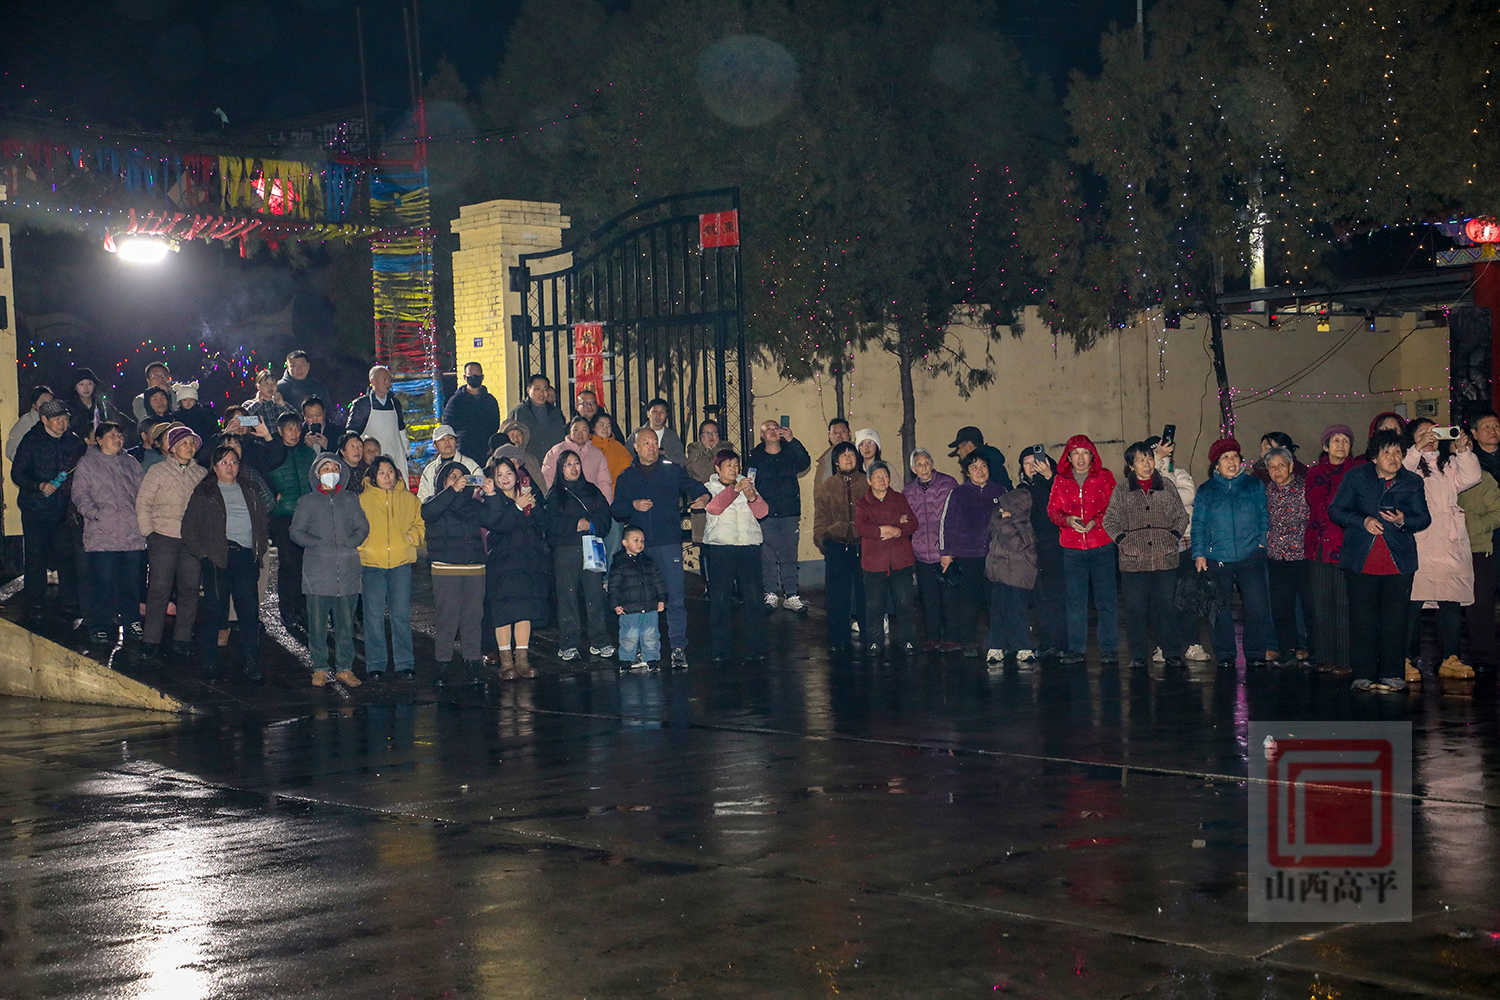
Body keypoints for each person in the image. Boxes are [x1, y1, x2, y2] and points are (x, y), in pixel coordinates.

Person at [1331, 428, 1431, 693]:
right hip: (1361, 561)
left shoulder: (1412, 481)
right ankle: (1363, 674)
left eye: (1398, 452)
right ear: (1374, 456)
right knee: (1362, 620)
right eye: (1387, 452)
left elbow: (1423, 518)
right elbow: (1336, 510)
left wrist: (1403, 520)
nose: (1394, 457)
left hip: (1398, 563)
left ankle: (1392, 673)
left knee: (1395, 621)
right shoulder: (1356, 477)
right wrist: (1362, 521)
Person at [610, 428, 710, 667]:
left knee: (675, 597)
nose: (651, 447)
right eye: (646, 443)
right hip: (639, 550)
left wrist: (704, 496)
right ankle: (639, 650)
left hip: (668, 543)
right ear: (636, 447)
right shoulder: (627, 477)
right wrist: (633, 505)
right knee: (638, 600)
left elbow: (694, 487)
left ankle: (678, 647)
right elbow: (617, 510)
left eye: (654, 442)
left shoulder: (671, 470)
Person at [1402, 418, 1482, 680]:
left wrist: (1463, 451)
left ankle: (1451, 658)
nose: (1430, 437)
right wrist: (1416, 449)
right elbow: (1400, 475)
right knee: (1412, 602)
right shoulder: (1409, 463)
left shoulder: (1448, 464)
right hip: (1420, 540)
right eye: (1423, 433)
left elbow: (1472, 477)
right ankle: (1405, 659)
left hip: (1449, 540)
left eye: (1434, 432)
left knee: (1451, 600)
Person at [181, 444, 269, 679]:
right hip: (218, 557)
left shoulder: (249, 488)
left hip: (245, 556)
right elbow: (189, 528)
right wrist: (204, 554)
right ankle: (209, 663)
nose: (230, 467)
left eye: (234, 462)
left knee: (249, 612)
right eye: (224, 463)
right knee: (214, 611)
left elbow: (262, 520)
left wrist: (259, 548)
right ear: (215, 467)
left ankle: (251, 662)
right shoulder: (205, 491)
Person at [1102, 441, 1189, 668]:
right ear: (1131, 466)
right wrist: (1123, 541)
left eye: (1150, 458)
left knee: (1166, 607)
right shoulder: (1122, 489)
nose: (1147, 464)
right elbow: (1109, 520)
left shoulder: (1167, 485)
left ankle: (1171, 651)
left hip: (1164, 557)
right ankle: (1138, 655)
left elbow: (1181, 516)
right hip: (1133, 560)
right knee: (1135, 609)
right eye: (1141, 460)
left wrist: (1172, 536)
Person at [1192, 438, 1272, 668]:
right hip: (1218, 557)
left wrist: (1261, 542)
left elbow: (1263, 515)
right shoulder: (1206, 490)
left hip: (1250, 555)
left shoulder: (1253, 485)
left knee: (1257, 606)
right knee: (1220, 609)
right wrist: (1199, 553)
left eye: (1235, 456)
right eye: (1225, 457)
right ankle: (1225, 654)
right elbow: (1198, 524)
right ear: (1216, 465)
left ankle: (1255, 653)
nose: (1231, 461)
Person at [290, 453, 369, 687]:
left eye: (335, 468)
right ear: (317, 474)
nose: (331, 472)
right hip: (317, 574)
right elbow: (295, 532)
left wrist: (350, 542)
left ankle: (345, 668)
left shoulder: (350, 499)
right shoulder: (307, 502)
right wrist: (317, 543)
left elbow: (363, 527)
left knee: (345, 625)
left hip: (347, 572)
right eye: (326, 469)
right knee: (317, 625)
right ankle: (320, 668)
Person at [70, 421, 147, 646]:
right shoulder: (87, 463)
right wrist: (94, 514)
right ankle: (100, 625)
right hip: (102, 533)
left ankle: (132, 620)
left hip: (131, 533)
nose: (117, 438)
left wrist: (141, 518)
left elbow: (143, 493)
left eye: (120, 435)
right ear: (99, 440)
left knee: (131, 581)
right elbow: (80, 494)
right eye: (112, 435)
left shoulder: (131, 462)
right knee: (103, 582)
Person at [12, 399, 86, 626]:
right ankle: (35, 604)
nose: (62, 424)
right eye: (57, 420)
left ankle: (69, 603)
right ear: (44, 420)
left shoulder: (73, 442)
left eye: (65, 419)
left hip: (63, 510)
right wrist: (39, 485)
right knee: (36, 557)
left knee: (66, 556)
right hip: (36, 509)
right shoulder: (31, 441)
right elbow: (18, 473)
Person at [135, 425, 207, 658]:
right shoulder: (157, 471)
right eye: (184, 443)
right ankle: (151, 640)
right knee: (159, 589)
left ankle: (182, 638)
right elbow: (143, 503)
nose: (189, 447)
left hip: (192, 540)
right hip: (163, 536)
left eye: (192, 443)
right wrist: (150, 533)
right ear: (173, 448)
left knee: (190, 589)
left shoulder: (201, 474)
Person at [1047, 434, 1119, 664]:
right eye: (1075, 453)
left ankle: (1109, 648)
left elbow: (1114, 507)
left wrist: (1096, 521)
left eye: (1085, 453)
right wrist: (1068, 520)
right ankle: (1076, 649)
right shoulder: (1060, 480)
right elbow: (1052, 511)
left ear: (1092, 455)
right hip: (1072, 549)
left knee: (1106, 600)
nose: (1080, 458)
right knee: (1075, 601)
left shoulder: (1105, 477)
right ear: (1068, 457)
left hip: (1102, 546)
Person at [483, 456, 551, 678]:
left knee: (524, 612)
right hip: (502, 566)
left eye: (509, 473)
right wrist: (517, 507)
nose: (505, 478)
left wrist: (534, 507)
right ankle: (506, 662)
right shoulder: (492, 499)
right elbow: (498, 525)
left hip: (526, 563)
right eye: (499, 475)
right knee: (503, 613)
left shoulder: (526, 495)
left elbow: (543, 523)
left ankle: (522, 660)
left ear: (516, 475)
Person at [423, 460, 490, 682]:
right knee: (447, 617)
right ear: (442, 481)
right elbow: (428, 512)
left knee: (473, 616)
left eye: (462, 477)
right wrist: (452, 491)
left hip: (474, 568)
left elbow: (494, 519)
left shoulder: (474, 505)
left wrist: (491, 495)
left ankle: (473, 661)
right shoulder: (434, 502)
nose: (458, 480)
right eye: (452, 476)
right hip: (446, 568)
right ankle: (443, 662)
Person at [1304, 423, 1364, 673]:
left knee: (1344, 604)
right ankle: (1324, 657)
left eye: (1346, 441)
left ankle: (1345, 659)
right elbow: (1319, 504)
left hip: (1347, 546)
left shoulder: (1358, 472)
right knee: (1321, 604)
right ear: (1326, 446)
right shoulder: (1314, 473)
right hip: (1319, 546)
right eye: (1336, 440)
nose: (1341, 445)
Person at [358, 455, 424, 682]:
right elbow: (353, 527)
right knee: (373, 616)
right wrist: (362, 545)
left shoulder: (410, 500)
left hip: (401, 563)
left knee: (401, 614)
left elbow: (420, 523)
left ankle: (405, 663)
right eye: (381, 473)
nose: (386, 477)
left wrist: (412, 537)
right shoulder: (363, 500)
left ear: (396, 473)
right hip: (371, 563)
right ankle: (375, 663)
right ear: (374, 477)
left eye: (390, 472)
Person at [702, 449, 770, 662]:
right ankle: (720, 649)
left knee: (754, 598)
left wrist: (752, 496)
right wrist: (734, 490)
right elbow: (713, 508)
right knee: (720, 598)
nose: (733, 469)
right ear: (717, 468)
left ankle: (756, 646)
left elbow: (763, 512)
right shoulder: (709, 487)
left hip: (749, 546)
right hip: (721, 548)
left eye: (736, 465)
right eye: (728, 465)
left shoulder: (748, 484)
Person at [547, 450, 614, 662]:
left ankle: (600, 640)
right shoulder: (555, 494)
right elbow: (550, 524)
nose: (574, 468)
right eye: (568, 464)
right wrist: (574, 524)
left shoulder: (592, 490)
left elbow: (605, 516)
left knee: (595, 595)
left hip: (592, 547)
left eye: (576, 463)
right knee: (567, 597)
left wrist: (591, 524)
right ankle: (569, 643)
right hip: (566, 550)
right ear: (561, 468)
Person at [940, 452, 1007, 657]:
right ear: (967, 472)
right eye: (974, 467)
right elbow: (947, 524)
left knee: (995, 601)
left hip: (994, 555)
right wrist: (946, 553)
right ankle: (968, 642)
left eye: (983, 466)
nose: (980, 471)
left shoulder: (1000, 491)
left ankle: (998, 643)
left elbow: (1011, 522)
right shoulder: (958, 493)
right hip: (967, 556)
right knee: (968, 602)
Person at [1146, 434, 1204, 660]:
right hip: (1159, 546)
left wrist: (1166, 475)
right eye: (1156, 453)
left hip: (1185, 543)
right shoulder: (1143, 480)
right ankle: (1163, 645)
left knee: (1189, 596)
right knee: (1162, 599)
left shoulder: (1181, 473)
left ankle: (1192, 643)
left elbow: (1187, 496)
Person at [854, 460, 918, 657]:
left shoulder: (899, 498)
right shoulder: (862, 503)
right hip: (874, 563)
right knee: (874, 605)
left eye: (885, 476)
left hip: (901, 560)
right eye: (878, 477)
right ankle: (874, 642)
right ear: (869, 480)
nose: (882, 480)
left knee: (905, 603)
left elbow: (913, 523)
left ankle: (908, 640)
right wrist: (884, 528)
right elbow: (861, 527)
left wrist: (898, 530)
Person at [748, 418, 812, 611]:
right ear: (762, 435)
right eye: (767, 428)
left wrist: (793, 440)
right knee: (766, 556)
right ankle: (770, 593)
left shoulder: (790, 452)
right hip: (765, 514)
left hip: (789, 512)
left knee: (789, 554)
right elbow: (750, 481)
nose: (772, 430)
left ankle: (791, 594)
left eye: (775, 427)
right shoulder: (755, 456)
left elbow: (805, 462)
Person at [814, 442, 868, 652]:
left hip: (864, 545)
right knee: (837, 596)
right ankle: (838, 639)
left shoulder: (867, 482)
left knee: (866, 594)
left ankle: (869, 636)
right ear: (836, 461)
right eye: (843, 455)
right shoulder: (827, 486)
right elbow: (820, 519)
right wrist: (824, 539)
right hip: (836, 545)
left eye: (851, 454)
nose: (848, 458)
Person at [906, 448, 960, 651]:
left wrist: (950, 551)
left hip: (945, 551)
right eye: (919, 465)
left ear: (932, 463)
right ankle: (932, 637)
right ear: (913, 469)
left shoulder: (948, 484)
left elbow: (957, 517)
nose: (924, 468)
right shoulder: (908, 491)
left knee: (949, 598)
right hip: (921, 552)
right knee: (928, 598)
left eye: (927, 463)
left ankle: (952, 638)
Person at [1262, 446, 1311, 665]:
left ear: (1291, 466)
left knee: (1306, 605)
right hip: (1276, 556)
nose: (1277, 471)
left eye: (1281, 466)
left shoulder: (1304, 488)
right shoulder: (1267, 491)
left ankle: (1306, 647)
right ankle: (1286, 649)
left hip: (1301, 555)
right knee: (1281, 606)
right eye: (1272, 467)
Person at [982, 475, 1038, 666]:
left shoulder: (1025, 523)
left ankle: (1023, 646)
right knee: (997, 611)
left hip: (1018, 575)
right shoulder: (999, 519)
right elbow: (990, 533)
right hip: (999, 574)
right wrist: (1000, 520)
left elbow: (1018, 544)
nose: (1002, 509)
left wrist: (1005, 522)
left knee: (1017, 611)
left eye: (1007, 505)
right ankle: (996, 645)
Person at [1018, 443, 1066, 658]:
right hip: (1032, 551)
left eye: (1035, 462)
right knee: (1040, 598)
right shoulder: (1021, 490)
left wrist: (1049, 477)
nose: (1031, 467)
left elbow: (1066, 503)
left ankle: (1063, 643)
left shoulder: (1057, 483)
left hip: (1057, 548)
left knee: (1059, 597)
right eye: (1026, 464)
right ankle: (1046, 642)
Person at [1458, 465, 1500, 670]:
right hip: (1445, 549)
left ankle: (1483, 657)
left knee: (1480, 604)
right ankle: (1450, 656)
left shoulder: (1483, 478)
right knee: (1446, 606)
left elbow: (1497, 512)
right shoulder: (1440, 475)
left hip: (1477, 549)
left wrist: (1473, 526)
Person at [610, 526, 667, 670]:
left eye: (642, 540)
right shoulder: (619, 563)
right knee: (629, 635)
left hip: (650, 606)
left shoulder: (649, 562)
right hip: (629, 608)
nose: (640, 543)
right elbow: (614, 586)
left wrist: (661, 599)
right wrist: (615, 604)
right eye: (635, 540)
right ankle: (626, 659)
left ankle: (652, 658)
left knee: (651, 634)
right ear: (625, 543)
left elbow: (658, 582)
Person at [343, 365, 410, 478]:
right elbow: (352, 434)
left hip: (396, 457)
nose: (388, 383)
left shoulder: (395, 403)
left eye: (389, 380)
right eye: (385, 379)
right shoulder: (362, 404)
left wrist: (406, 451)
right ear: (373, 381)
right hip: (371, 461)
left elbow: (401, 429)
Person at [442, 362, 502, 463]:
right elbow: (447, 426)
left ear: (482, 377)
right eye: (471, 376)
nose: (474, 378)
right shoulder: (455, 401)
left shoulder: (490, 400)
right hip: (463, 452)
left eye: (477, 375)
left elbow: (495, 425)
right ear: (465, 377)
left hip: (486, 452)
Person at [542, 416, 614, 500]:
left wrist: (605, 503)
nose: (580, 434)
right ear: (570, 432)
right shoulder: (556, 451)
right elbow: (547, 478)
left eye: (584, 430)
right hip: (563, 501)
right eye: (576, 430)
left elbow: (604, 482)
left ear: (589, 433)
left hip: (591, 501)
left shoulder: (597, 454)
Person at [506, 373, 568, 462]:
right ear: (528, 390)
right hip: (528, 462)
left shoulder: (556, 413)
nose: (542, 393)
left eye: (545, 389)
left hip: (553, 461)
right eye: (537, 389)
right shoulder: (518, 413)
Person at [417, 426, 478, 503]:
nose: (447, 442)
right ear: (435, 445)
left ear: (456, 442)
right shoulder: (429, 470)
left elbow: (481, 481)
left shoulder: (469, 464)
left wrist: (464, 480)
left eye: (450, 438)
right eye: (442, 439)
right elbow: (422, 498)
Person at [948, 426, 1012, 491]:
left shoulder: (986, 466)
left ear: (969, 445)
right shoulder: (991, 460)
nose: (958, 452)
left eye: (959, 447)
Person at [631, 397, 688, 466]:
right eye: (654, 412)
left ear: (666, 415)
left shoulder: (672, 436)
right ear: (648, 414)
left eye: (662, 412)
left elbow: (681, 460)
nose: (658, 415)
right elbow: (626, 455)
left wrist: (664, 454)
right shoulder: (638, 434)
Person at [492, 418, 546, 488]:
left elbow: (541, 485)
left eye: (519, 434)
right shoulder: (495, 459)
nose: (516, 438)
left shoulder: (531, 459)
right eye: (512, 434)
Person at [66, 368, 114, 445]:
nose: (86, 388)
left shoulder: (100, 404)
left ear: (94, 385)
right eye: (81, 384)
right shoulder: (68, 407)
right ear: (75, 387)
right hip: (77, 446)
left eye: (90, 384)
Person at [276, 349, 333, 414]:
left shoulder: (318, 387)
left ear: (308, 366)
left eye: (302, 365)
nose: (299, 369)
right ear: (287, 367)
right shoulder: (279, 388)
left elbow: (328, 412)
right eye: (293, 366)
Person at [6, 385, 53, 463]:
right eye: (43, 403)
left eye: (51, 402)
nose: (48, 406)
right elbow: (11, 451)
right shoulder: (25, 422)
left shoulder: (57, 421)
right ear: (34, 405)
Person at [815, 417, 853, 485]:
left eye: (843, 432)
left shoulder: (860, 452)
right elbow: (819, 488)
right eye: (835, 433)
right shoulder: (824, 460)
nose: (838, 435)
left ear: (849, 433)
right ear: (829, 436)